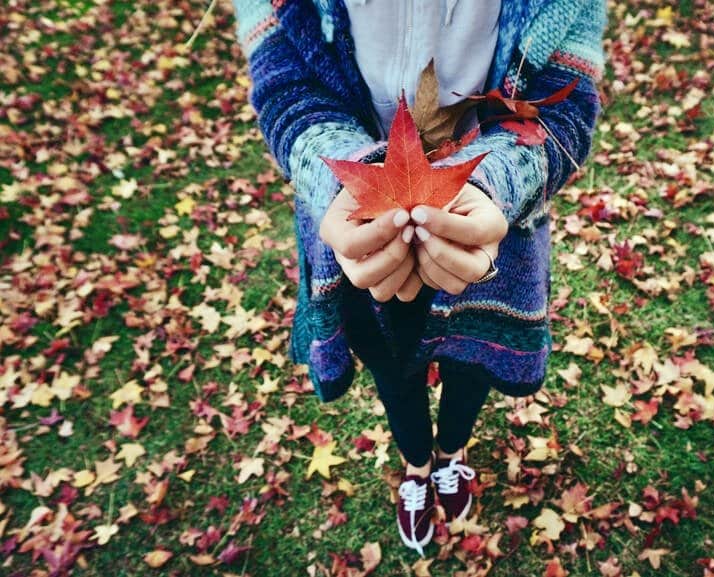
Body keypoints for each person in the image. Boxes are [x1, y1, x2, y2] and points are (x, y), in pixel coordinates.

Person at [231, 0, 607, 556]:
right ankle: (417, 464)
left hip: (487, 217)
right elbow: (284, 82)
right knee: (391, 363)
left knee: (470, 355)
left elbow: (565, 101)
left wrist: (497, 181)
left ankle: (451, 454)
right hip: (355, 226)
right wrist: (344, 178)